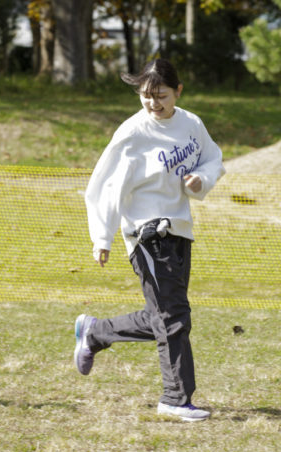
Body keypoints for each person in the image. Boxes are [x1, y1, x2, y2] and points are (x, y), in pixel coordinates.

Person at [74, 58, 225, 422]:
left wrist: (200, 181)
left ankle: (94, 331)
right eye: (145, 96)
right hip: (145, 233)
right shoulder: (132, 133)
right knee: (174, 318)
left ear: (178, 91)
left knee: (165, 315)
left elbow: (213, 158)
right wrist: (102, 238)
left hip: (180, 230)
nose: (153, 104)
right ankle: (175, 398)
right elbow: (105, 186)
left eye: (161, 96)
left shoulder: (191, 123)